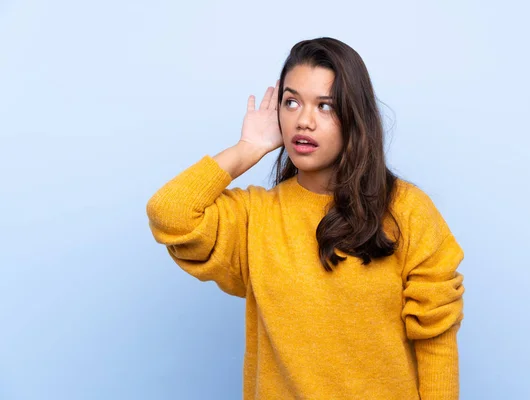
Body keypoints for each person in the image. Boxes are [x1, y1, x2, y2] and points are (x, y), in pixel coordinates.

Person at [146, 37, 465, 400]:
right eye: (292, 102)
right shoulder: (256, 217)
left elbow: (436, 341)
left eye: (325, 106)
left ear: (354, 115)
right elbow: (169, 213)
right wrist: (247, 149)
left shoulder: (407, 209)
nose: (304, 121)